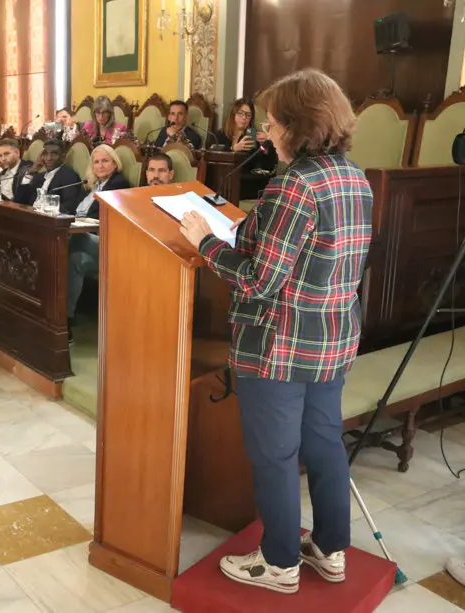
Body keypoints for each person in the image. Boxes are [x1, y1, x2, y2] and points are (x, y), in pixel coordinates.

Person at [179, 68, 373, 594]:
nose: (265, 133)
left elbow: (261, 281)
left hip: (280, 347)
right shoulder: (353, 175)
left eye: (270, 123)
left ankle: (279, 561)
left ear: (297, 125)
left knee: (275, 455)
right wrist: (251, 228)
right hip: (332, 340)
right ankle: (331, 550)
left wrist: (205, 240)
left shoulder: (294, 184)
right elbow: (317, 253)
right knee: (325, 445)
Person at [66, 145, 130, 343]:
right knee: (75, 260)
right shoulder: (92, 185)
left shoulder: (119, 184)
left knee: (77, 237)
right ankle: (65, 320)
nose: (100, 165)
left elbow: (108, 220)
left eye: (105, 161)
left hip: (110, 244)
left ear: (114, 163)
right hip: (88, 243)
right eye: (96, 161)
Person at [216, 98, 278, 200]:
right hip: (223, 178)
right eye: (240, 113)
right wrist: (233, 149)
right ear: (233, 114)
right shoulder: (220, 134)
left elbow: (265, 165)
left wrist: (266, 147)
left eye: (248, 115)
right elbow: (213, 154)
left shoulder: (252, 135)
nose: (244, 118)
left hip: (246, 181)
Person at [13, 140, 84, 214]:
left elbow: (68, 207)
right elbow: (19, 201)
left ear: (63, 156)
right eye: (45, 154)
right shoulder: (39, 177)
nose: (49, 158)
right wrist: (30, 173)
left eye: (54, 154)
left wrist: (44, 210)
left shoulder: (69, 176)